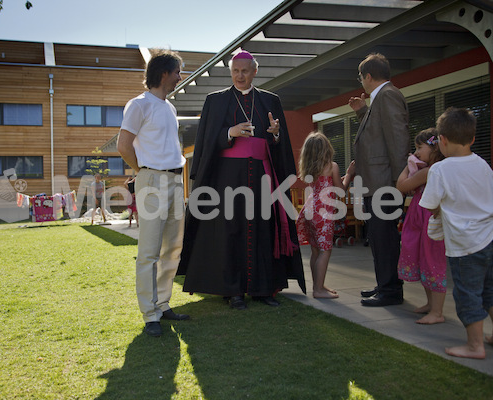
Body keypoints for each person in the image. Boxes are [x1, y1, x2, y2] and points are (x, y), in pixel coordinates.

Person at [177, 49, 306, 310]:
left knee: (264, 230)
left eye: (245, 71)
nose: (240, 75)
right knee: (231, 233)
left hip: (262, 179)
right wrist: (229, 132)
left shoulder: (271, 100)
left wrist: (276, 134)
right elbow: (204, 142)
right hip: (227, 179)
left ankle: (264, 289)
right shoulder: (216, 101)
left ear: (255, 72)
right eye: (235, 71)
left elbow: (279, 142)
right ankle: (233, 291)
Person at [117, 49, 189, 337]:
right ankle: (150, 315)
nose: (179, 78)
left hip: (175, 181)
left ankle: (163, 302)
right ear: (163, 74)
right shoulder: (138, 105)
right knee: (149, 251)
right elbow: (124, 145)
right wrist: (142, 172)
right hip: (151, 180)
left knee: (173, 247)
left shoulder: (169, 108)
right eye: (176, 73)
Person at [420, 107, 493, 359]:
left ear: (442, 140)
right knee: (490, 289)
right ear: (472, 138)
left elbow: (429, 204)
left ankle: (474, 345)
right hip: (489, 238)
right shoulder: (483, 165)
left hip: (464, 245)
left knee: (467, 293)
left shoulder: (441, 170)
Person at [349, 53, 410, 307]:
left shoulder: (388, 95)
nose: (361, 82)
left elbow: (398, 139)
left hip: (385, 184)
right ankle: (384, 284)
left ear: (369, 76)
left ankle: (390, 291)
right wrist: (363, 112)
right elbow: (377, 135)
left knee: (384, 239)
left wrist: (400, 182)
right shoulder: (378, 99)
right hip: (376, 183)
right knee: (378, 237)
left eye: (361, 77)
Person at [396, 128, 447, 324]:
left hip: (429, 220)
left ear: (435, 148)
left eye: (419, 148)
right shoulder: (427, 169)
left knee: (432, 261)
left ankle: (437, 312)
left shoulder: (428, 171)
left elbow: (402, 186)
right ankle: (430, 305)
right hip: (420, 219)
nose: (415, 153)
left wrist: (408, 166)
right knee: (424, 260)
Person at [296, 132, 355, 299]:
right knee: (325, 251)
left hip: (310, 209)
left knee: (315, 251)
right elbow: (341, 191)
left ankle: (318, 285)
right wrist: (349, 175)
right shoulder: (331, 166)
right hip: (323, 213)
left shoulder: (309, 168)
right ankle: (318, 290)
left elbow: (327, 184)